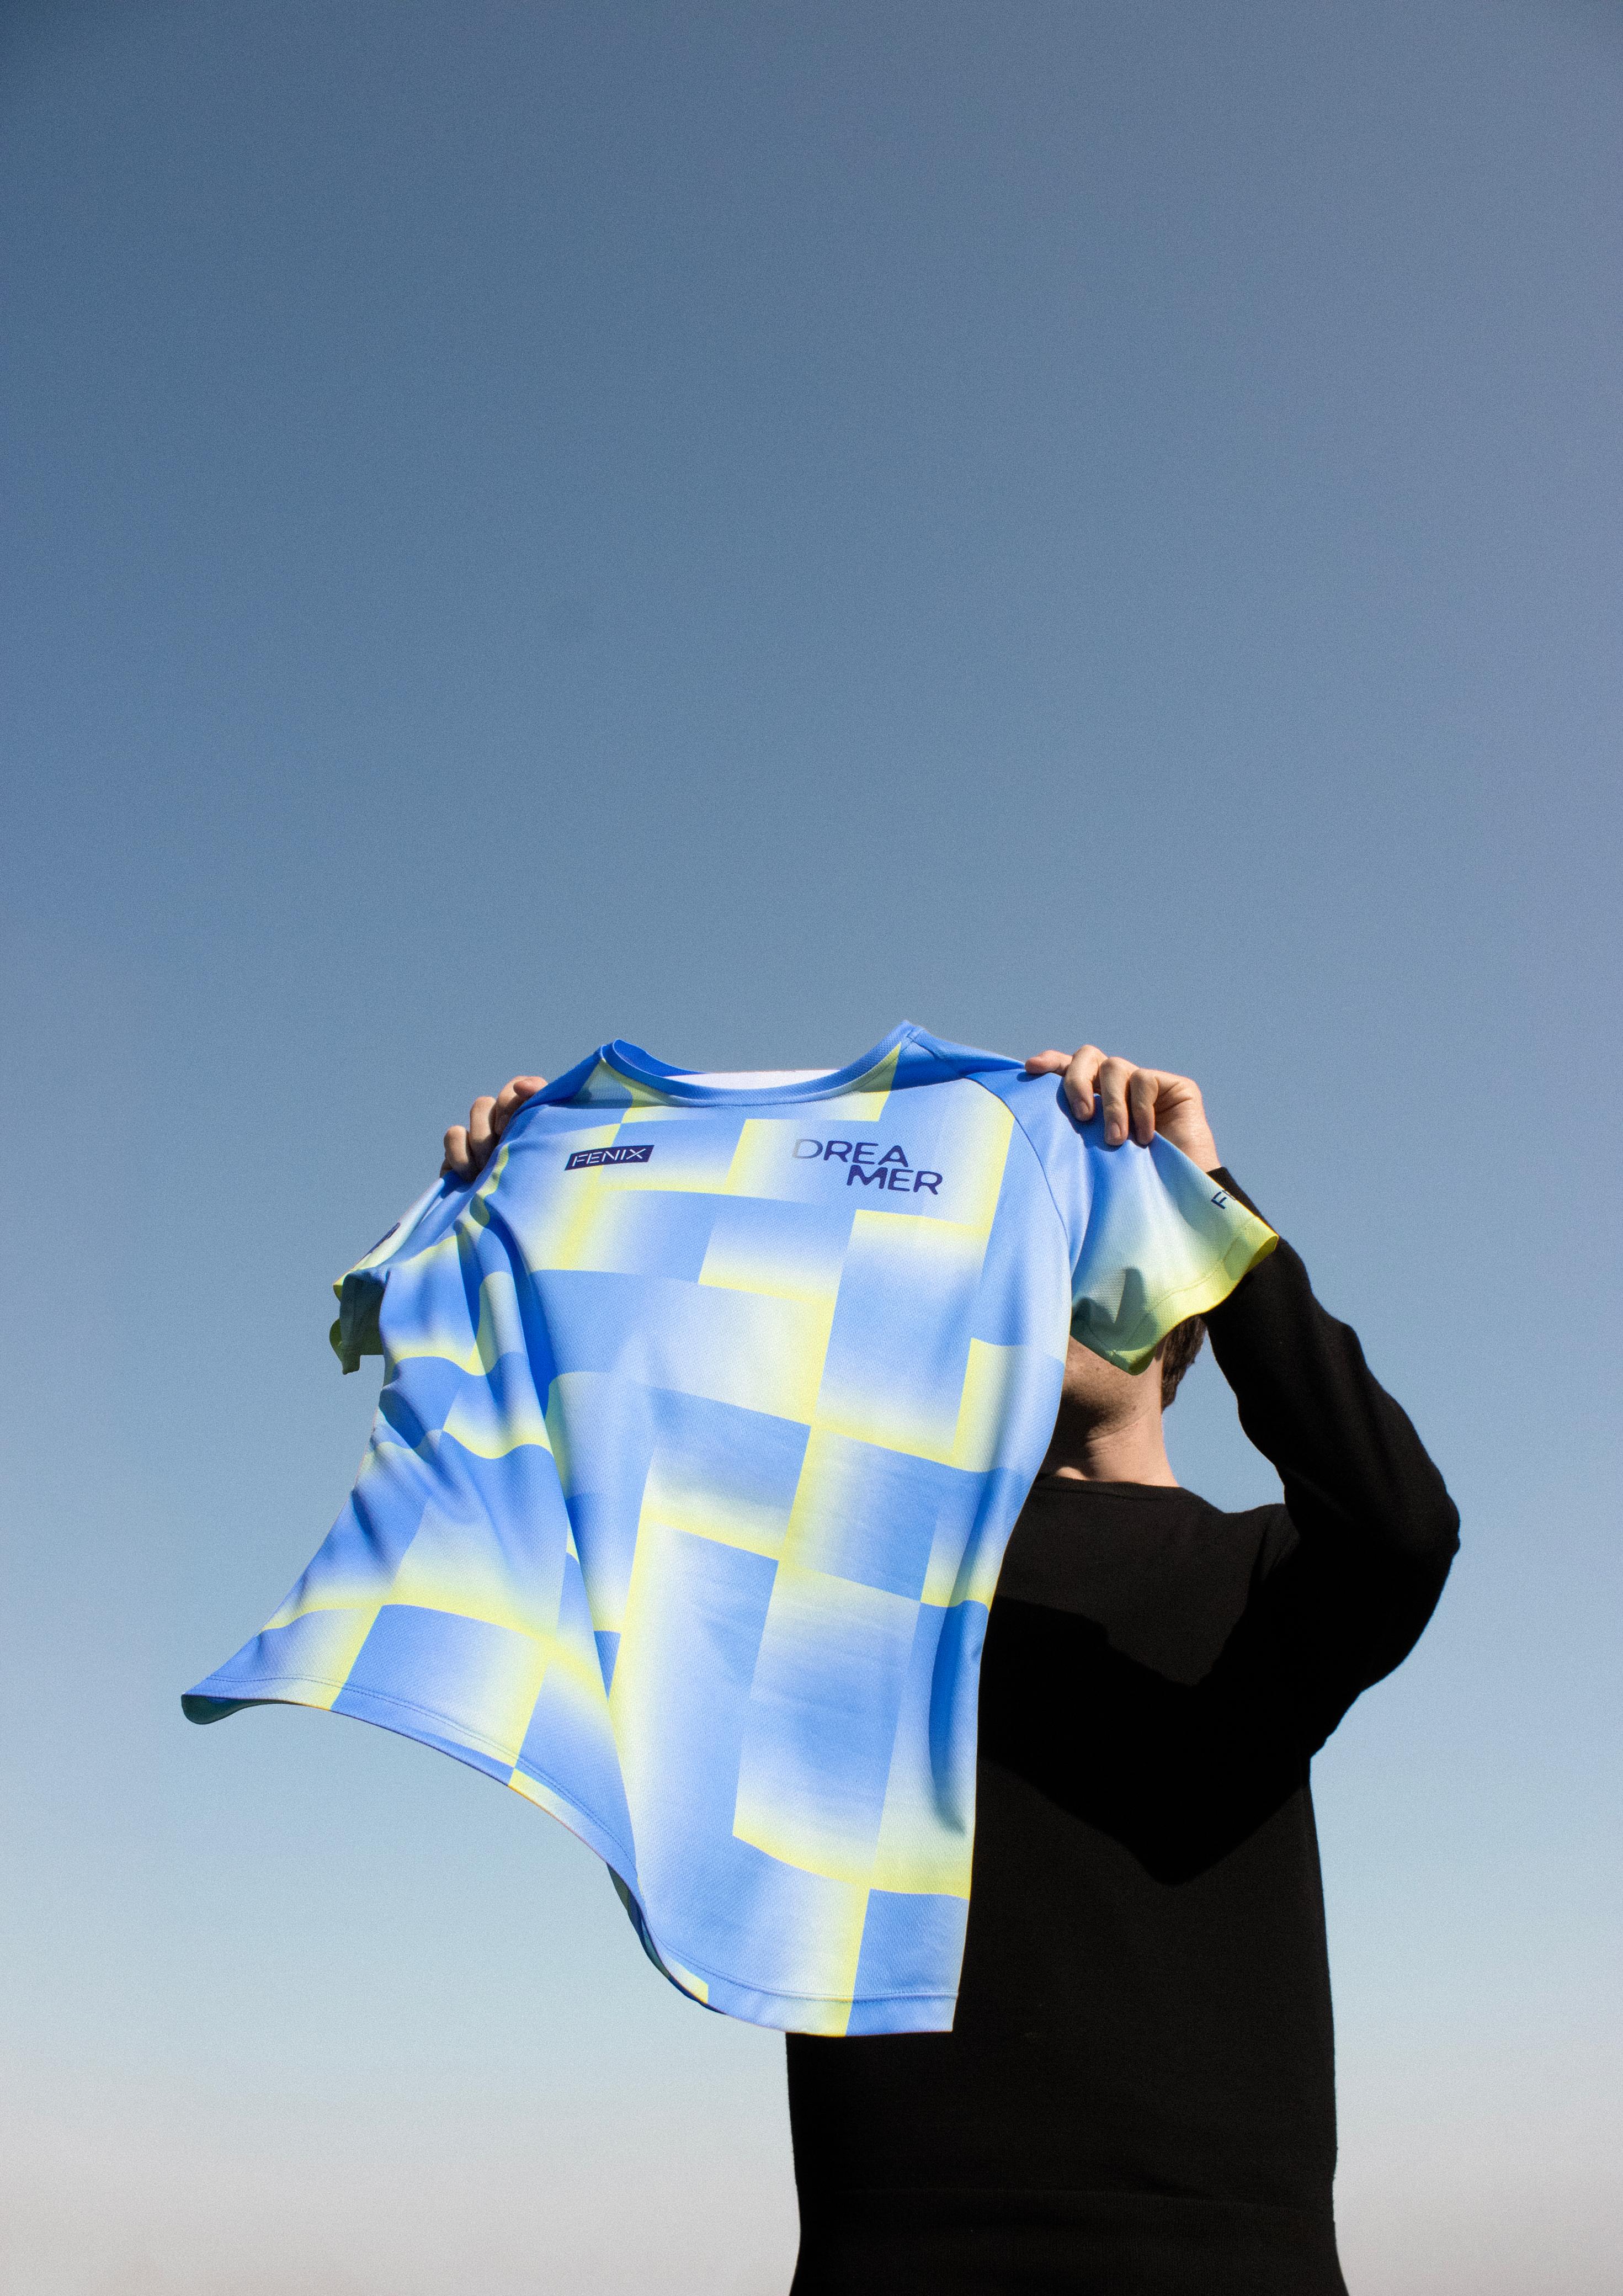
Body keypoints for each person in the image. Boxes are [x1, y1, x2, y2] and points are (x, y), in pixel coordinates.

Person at [441, 1044, 1459, 2296]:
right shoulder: (842, 1574)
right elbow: (606, 1475)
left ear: (1179, 1307)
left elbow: (1403, 1526)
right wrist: (543, 1201)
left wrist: (1207, 1198)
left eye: (1099, 1242)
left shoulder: (1264, 1574)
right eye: (1026, 1246)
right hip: (895, 2242)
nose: (1056, 1271)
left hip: (1220, 2255)